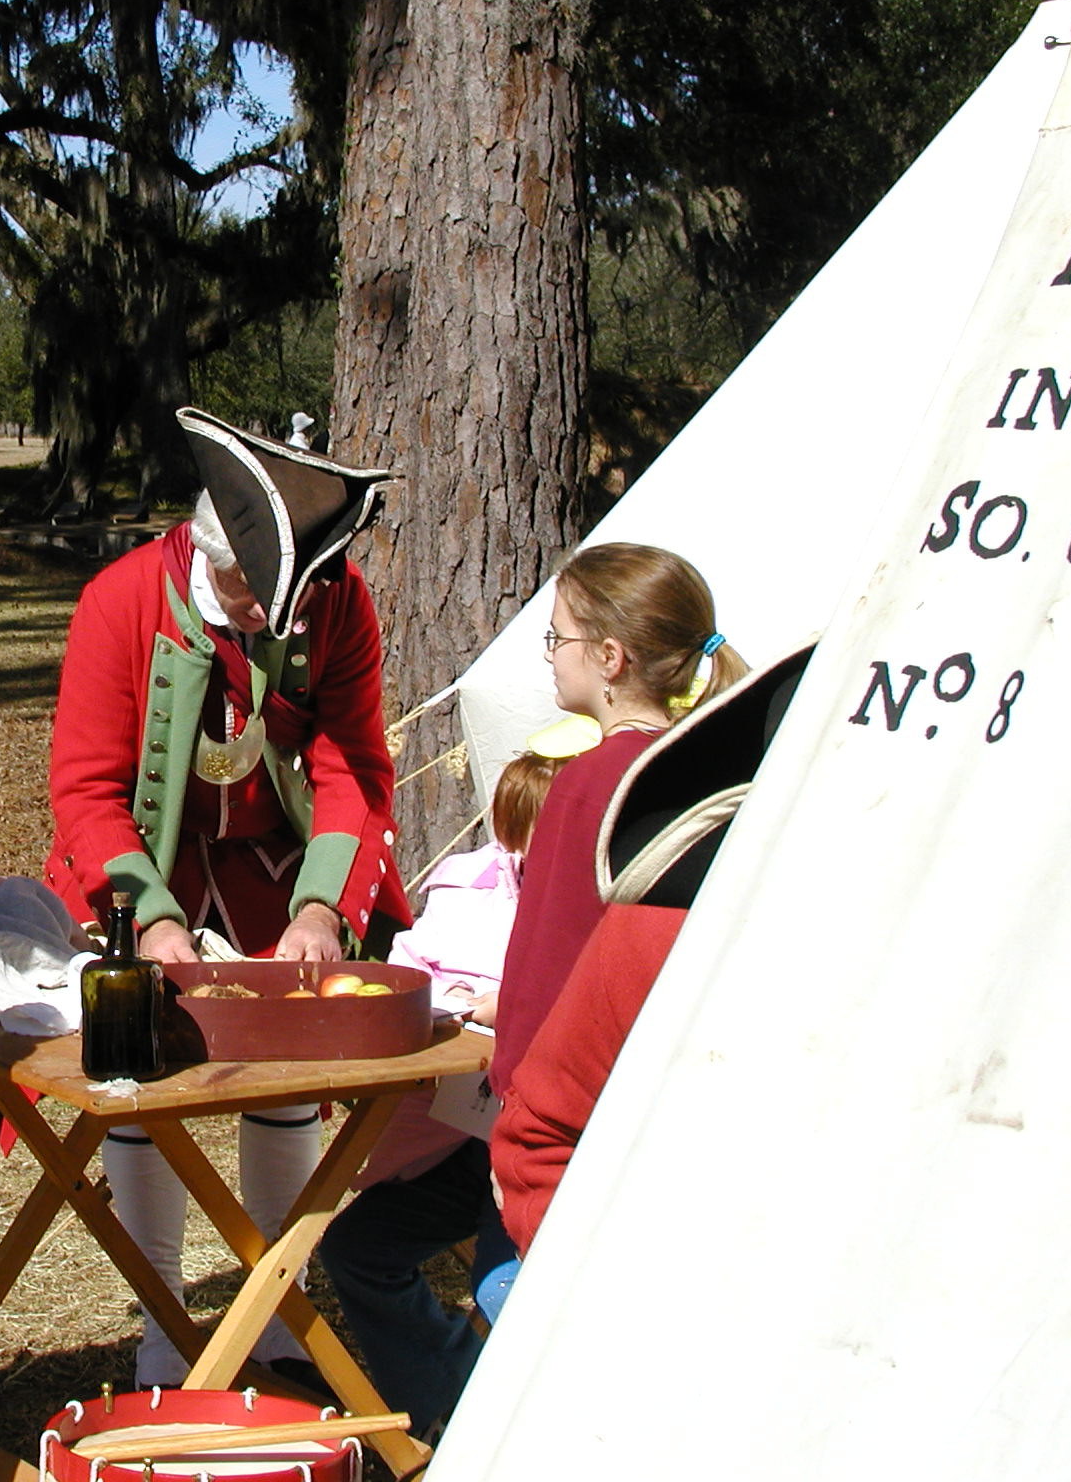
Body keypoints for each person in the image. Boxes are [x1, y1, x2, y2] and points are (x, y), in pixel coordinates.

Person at [43, 406, 411, 1388]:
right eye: (255, 595)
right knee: (136, 1068)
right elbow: (86, 791)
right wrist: (151, 922)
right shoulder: (120, 600)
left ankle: (278, 1321)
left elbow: (353, 766)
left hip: (273, 879)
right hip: (137, 878)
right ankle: (163, 1331)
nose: (276, 617)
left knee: (290, 1069)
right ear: (214, 554)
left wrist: (321, 909)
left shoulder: (335, 600)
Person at [470, 542, 746, 1318]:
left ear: (610, 658)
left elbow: (547, 968)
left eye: (557, 637)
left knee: (516, 1299)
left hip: (577, 1122)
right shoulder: (713, 772)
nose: (550, 655)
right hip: (675, 1108)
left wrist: (516, 1120)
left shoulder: (590, 784)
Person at [314, 750, 561, 1438]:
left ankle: (539, 1439)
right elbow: (413, 964)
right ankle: (451, 1406)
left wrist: (506, 1005)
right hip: (458, 1130)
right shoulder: (472, 887)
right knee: (360, 1249)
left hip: (543, 1139)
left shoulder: (602, 902)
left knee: (505, 1288)